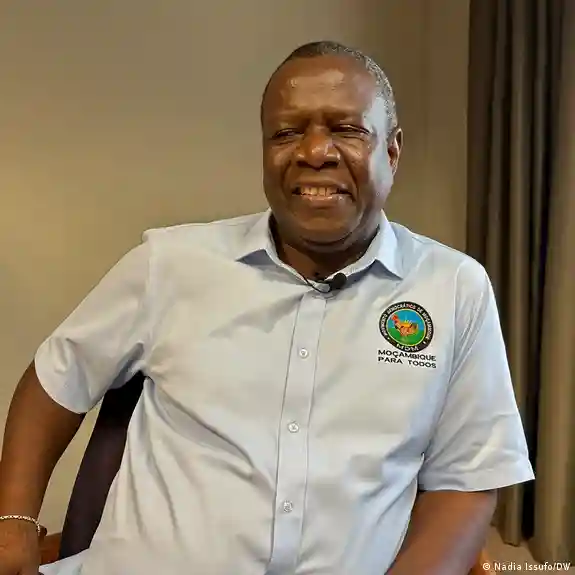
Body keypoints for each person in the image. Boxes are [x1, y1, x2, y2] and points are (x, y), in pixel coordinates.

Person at [0, 40, 533, 575]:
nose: (314, 151)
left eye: (346, 129)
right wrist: (14, 524)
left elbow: (467, 480)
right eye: (286, 133)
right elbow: (56, 379)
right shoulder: (170, 263)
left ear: (391, 152)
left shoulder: (453, 287)